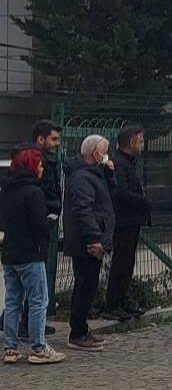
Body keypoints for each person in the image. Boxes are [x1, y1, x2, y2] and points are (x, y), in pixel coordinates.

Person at [1, 149, 66, 365]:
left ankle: (10, 348)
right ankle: (38, 347)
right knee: (38, 300)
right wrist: (50, 221)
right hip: (31, 253)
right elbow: (40, 226)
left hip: (10, 252)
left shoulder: (7, 191)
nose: (41, 169)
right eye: (38, 165)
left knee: (12, 301)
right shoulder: (34, 192)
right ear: (31, 167)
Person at [10, 119, 63, 340]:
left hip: (22, 240)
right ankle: (33, 337)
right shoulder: (32, 170)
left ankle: (21, 331)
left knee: (19, 294)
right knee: (33, 293)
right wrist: (49, 216)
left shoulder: (43, 163)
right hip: (32, 238)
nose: (57, 144)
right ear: (40, 139)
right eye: (54, 138)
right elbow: (40, 197)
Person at [63, 135, 115, 352]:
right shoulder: (82, 178)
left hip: (93, 239)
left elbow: (108, 199)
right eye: (104, 151)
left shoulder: (95, 174)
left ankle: (82, 328)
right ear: (94, 153)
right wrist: (95, 238)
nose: (106, 155)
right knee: (84, 286)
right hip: (86, 243)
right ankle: (77, 332)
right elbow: (84, 210)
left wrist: (109, 173)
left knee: (89, 286)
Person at [103, 126, 150, 321]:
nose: (142, 145)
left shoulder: (128, 163)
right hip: (124, 221)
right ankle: (114, 303)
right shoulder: (120, 163)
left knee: (128, 262)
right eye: (140, 141)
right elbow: (119, 193)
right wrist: (143, 201)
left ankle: (123, 299)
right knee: (121, 262)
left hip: (131, 221)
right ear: (131, 143)